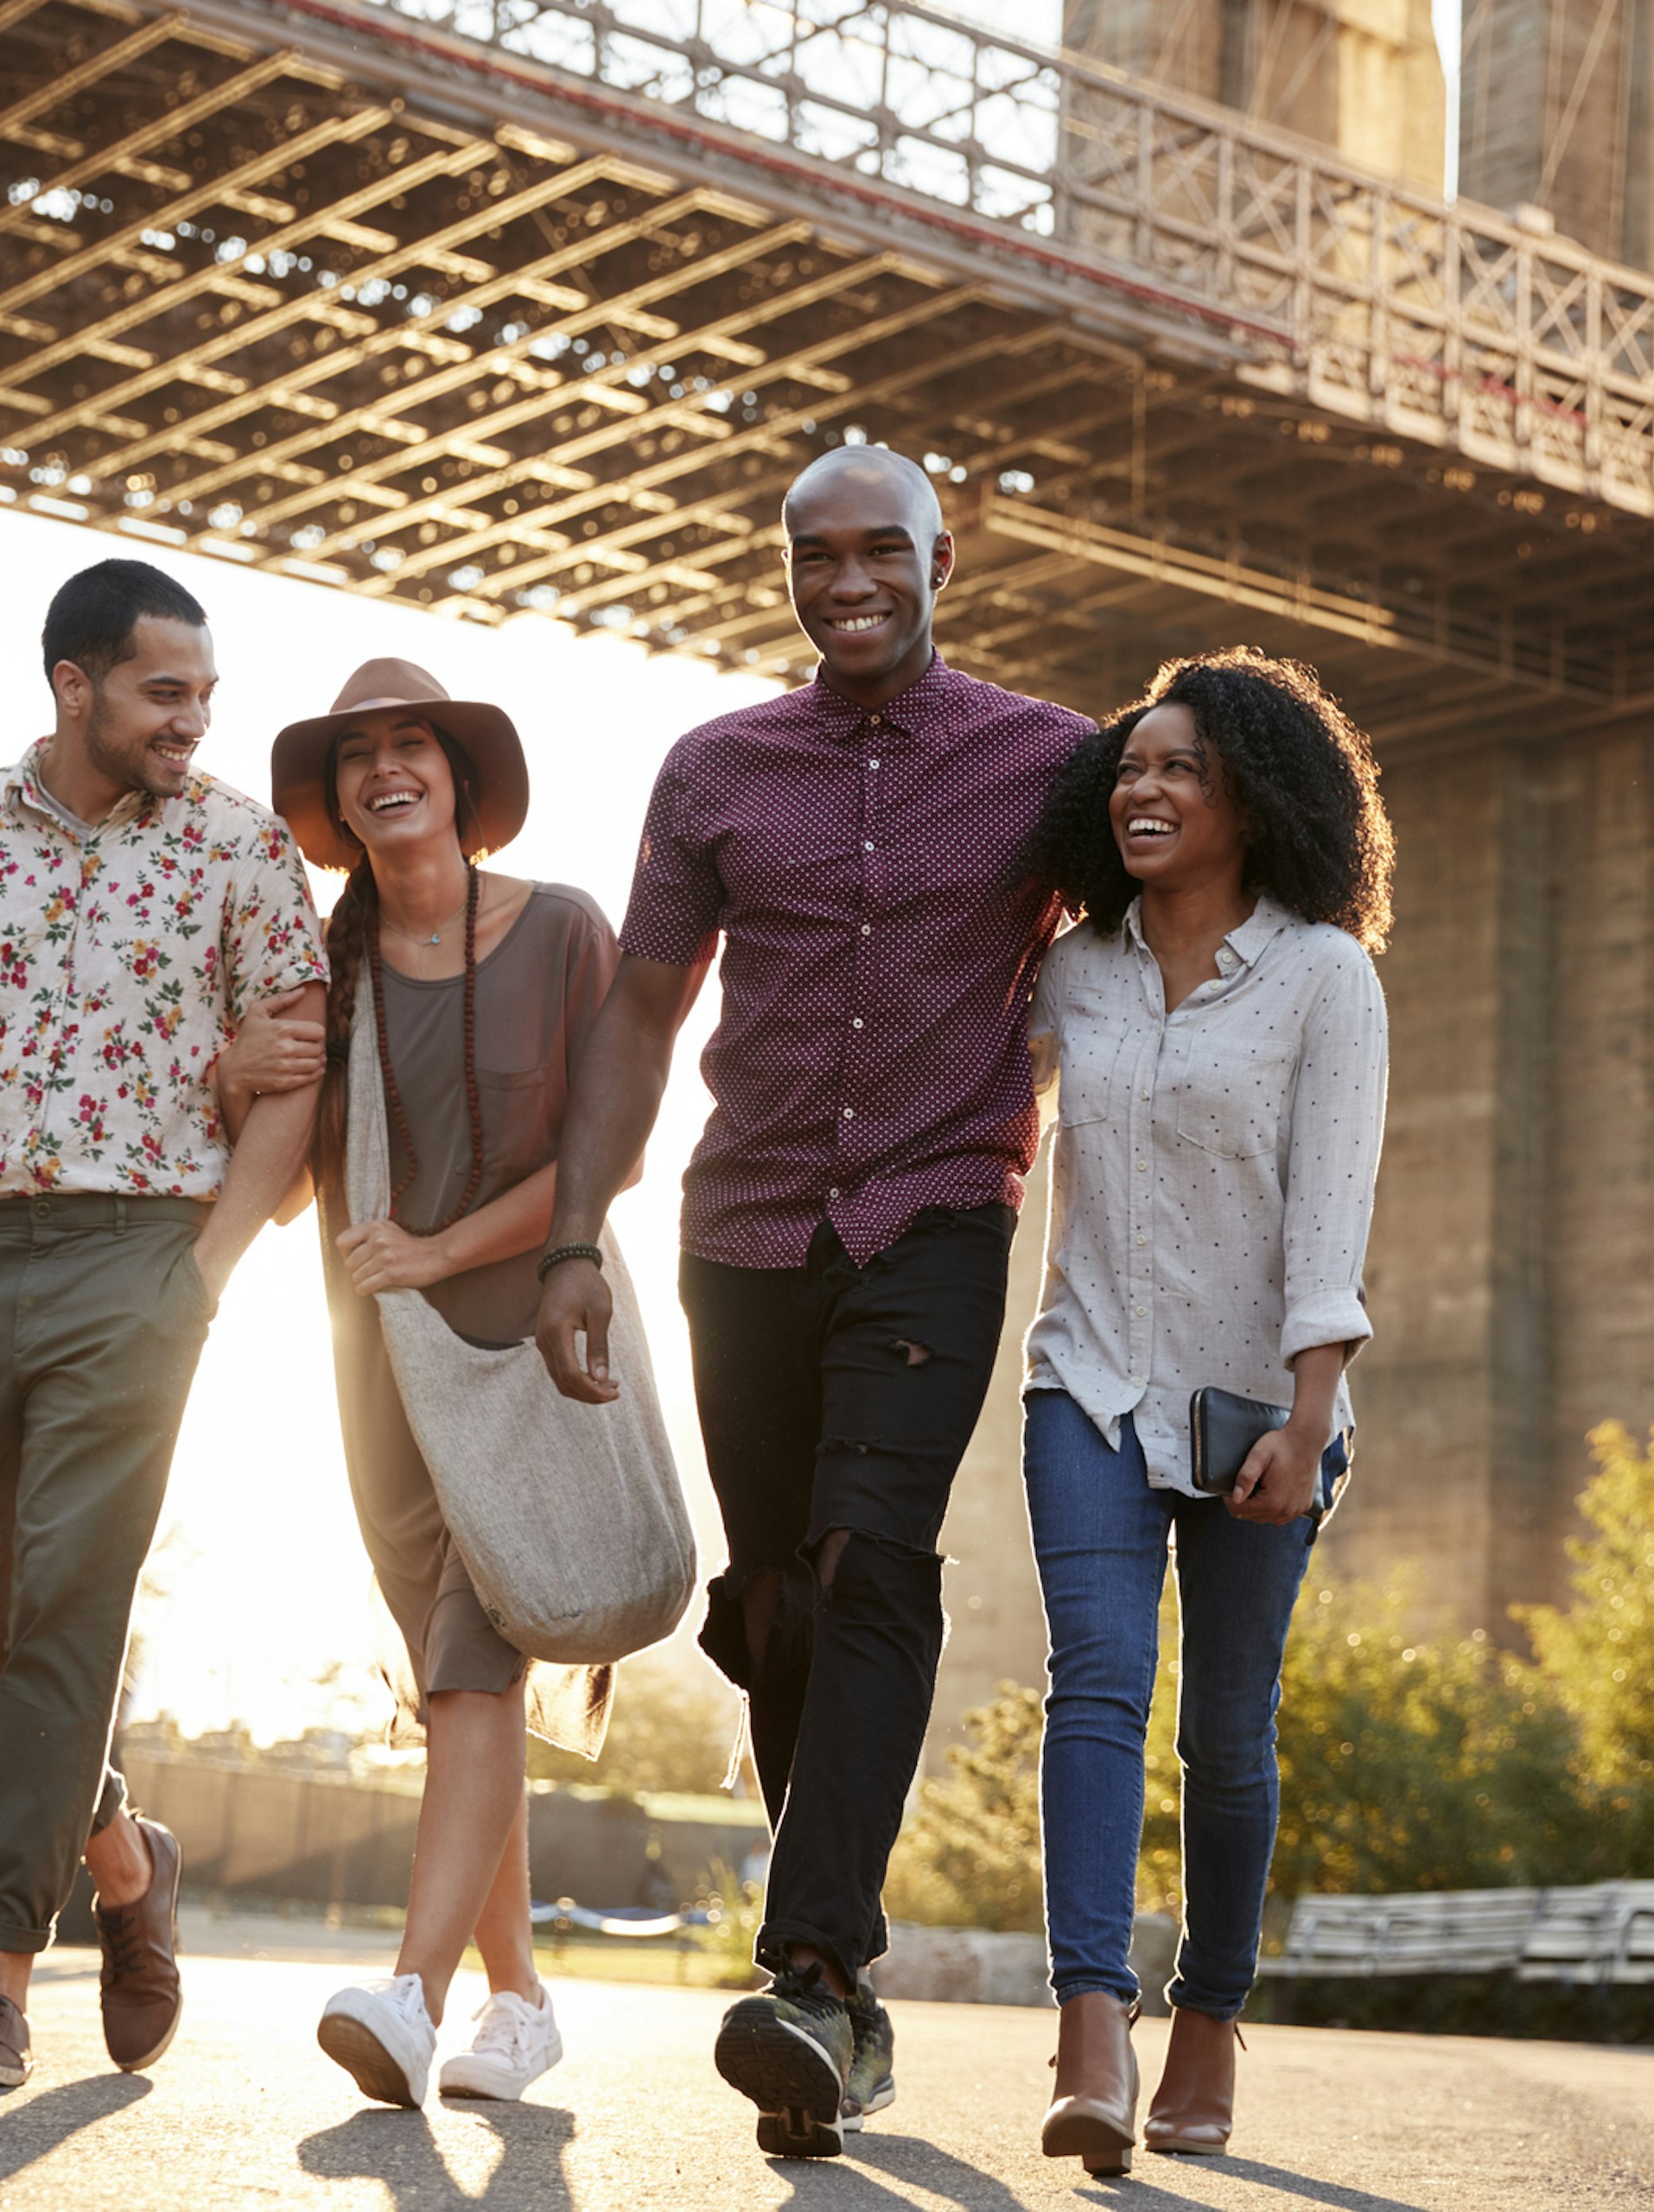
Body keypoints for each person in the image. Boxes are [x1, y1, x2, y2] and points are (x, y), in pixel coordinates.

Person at [531, 448, 1093, 2158]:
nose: (845, 579)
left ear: (942, 557)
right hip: (746, 1224)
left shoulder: (1052, 761)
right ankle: (843, 2015)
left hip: (935, 1209)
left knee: (871, 1555)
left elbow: (1161, 928)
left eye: (881, 550)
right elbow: (639, 1007)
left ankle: (810, 1960)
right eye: (812, 553)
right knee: (772, 1599)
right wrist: (573, 1233)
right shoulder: (714, 766)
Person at [0, 558, 326, 2088]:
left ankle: (0, 1975)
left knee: (72, 1597)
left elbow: (302, 1076)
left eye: (205, 695)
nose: (194, 721)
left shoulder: (246, 852)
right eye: (165, 693)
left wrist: (205, 1271)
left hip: (139, 1258)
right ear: (75, 684)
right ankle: (125, 1857)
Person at [220, 658, 633, 2109]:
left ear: (461, 780)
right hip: (373, 1372)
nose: (386, 770)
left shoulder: (566, 928)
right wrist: (235, 1076)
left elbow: (610, 1150)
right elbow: (279, 1197)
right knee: (459, 1690)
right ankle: (521, 2003)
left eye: (413, 747)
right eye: (358, 757)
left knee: (476, 1662)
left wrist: (445, 1244)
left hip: (519, 1350)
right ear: (335, 802)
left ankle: (416, 1992)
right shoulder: (326, 973)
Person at [1015, 647, 1393, 2173]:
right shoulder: (1071, 969)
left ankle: (1209, 2022)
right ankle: (1088, 2025)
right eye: (1131, 769)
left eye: (1181, 769)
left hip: (1260, 1406)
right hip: (1091, 1381)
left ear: (1256, 796)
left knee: (1227, 1738)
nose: (1145, 790)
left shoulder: (1324, 978)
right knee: (1097, 1684)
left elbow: (1330, 1213)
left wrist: (1309, 1420)